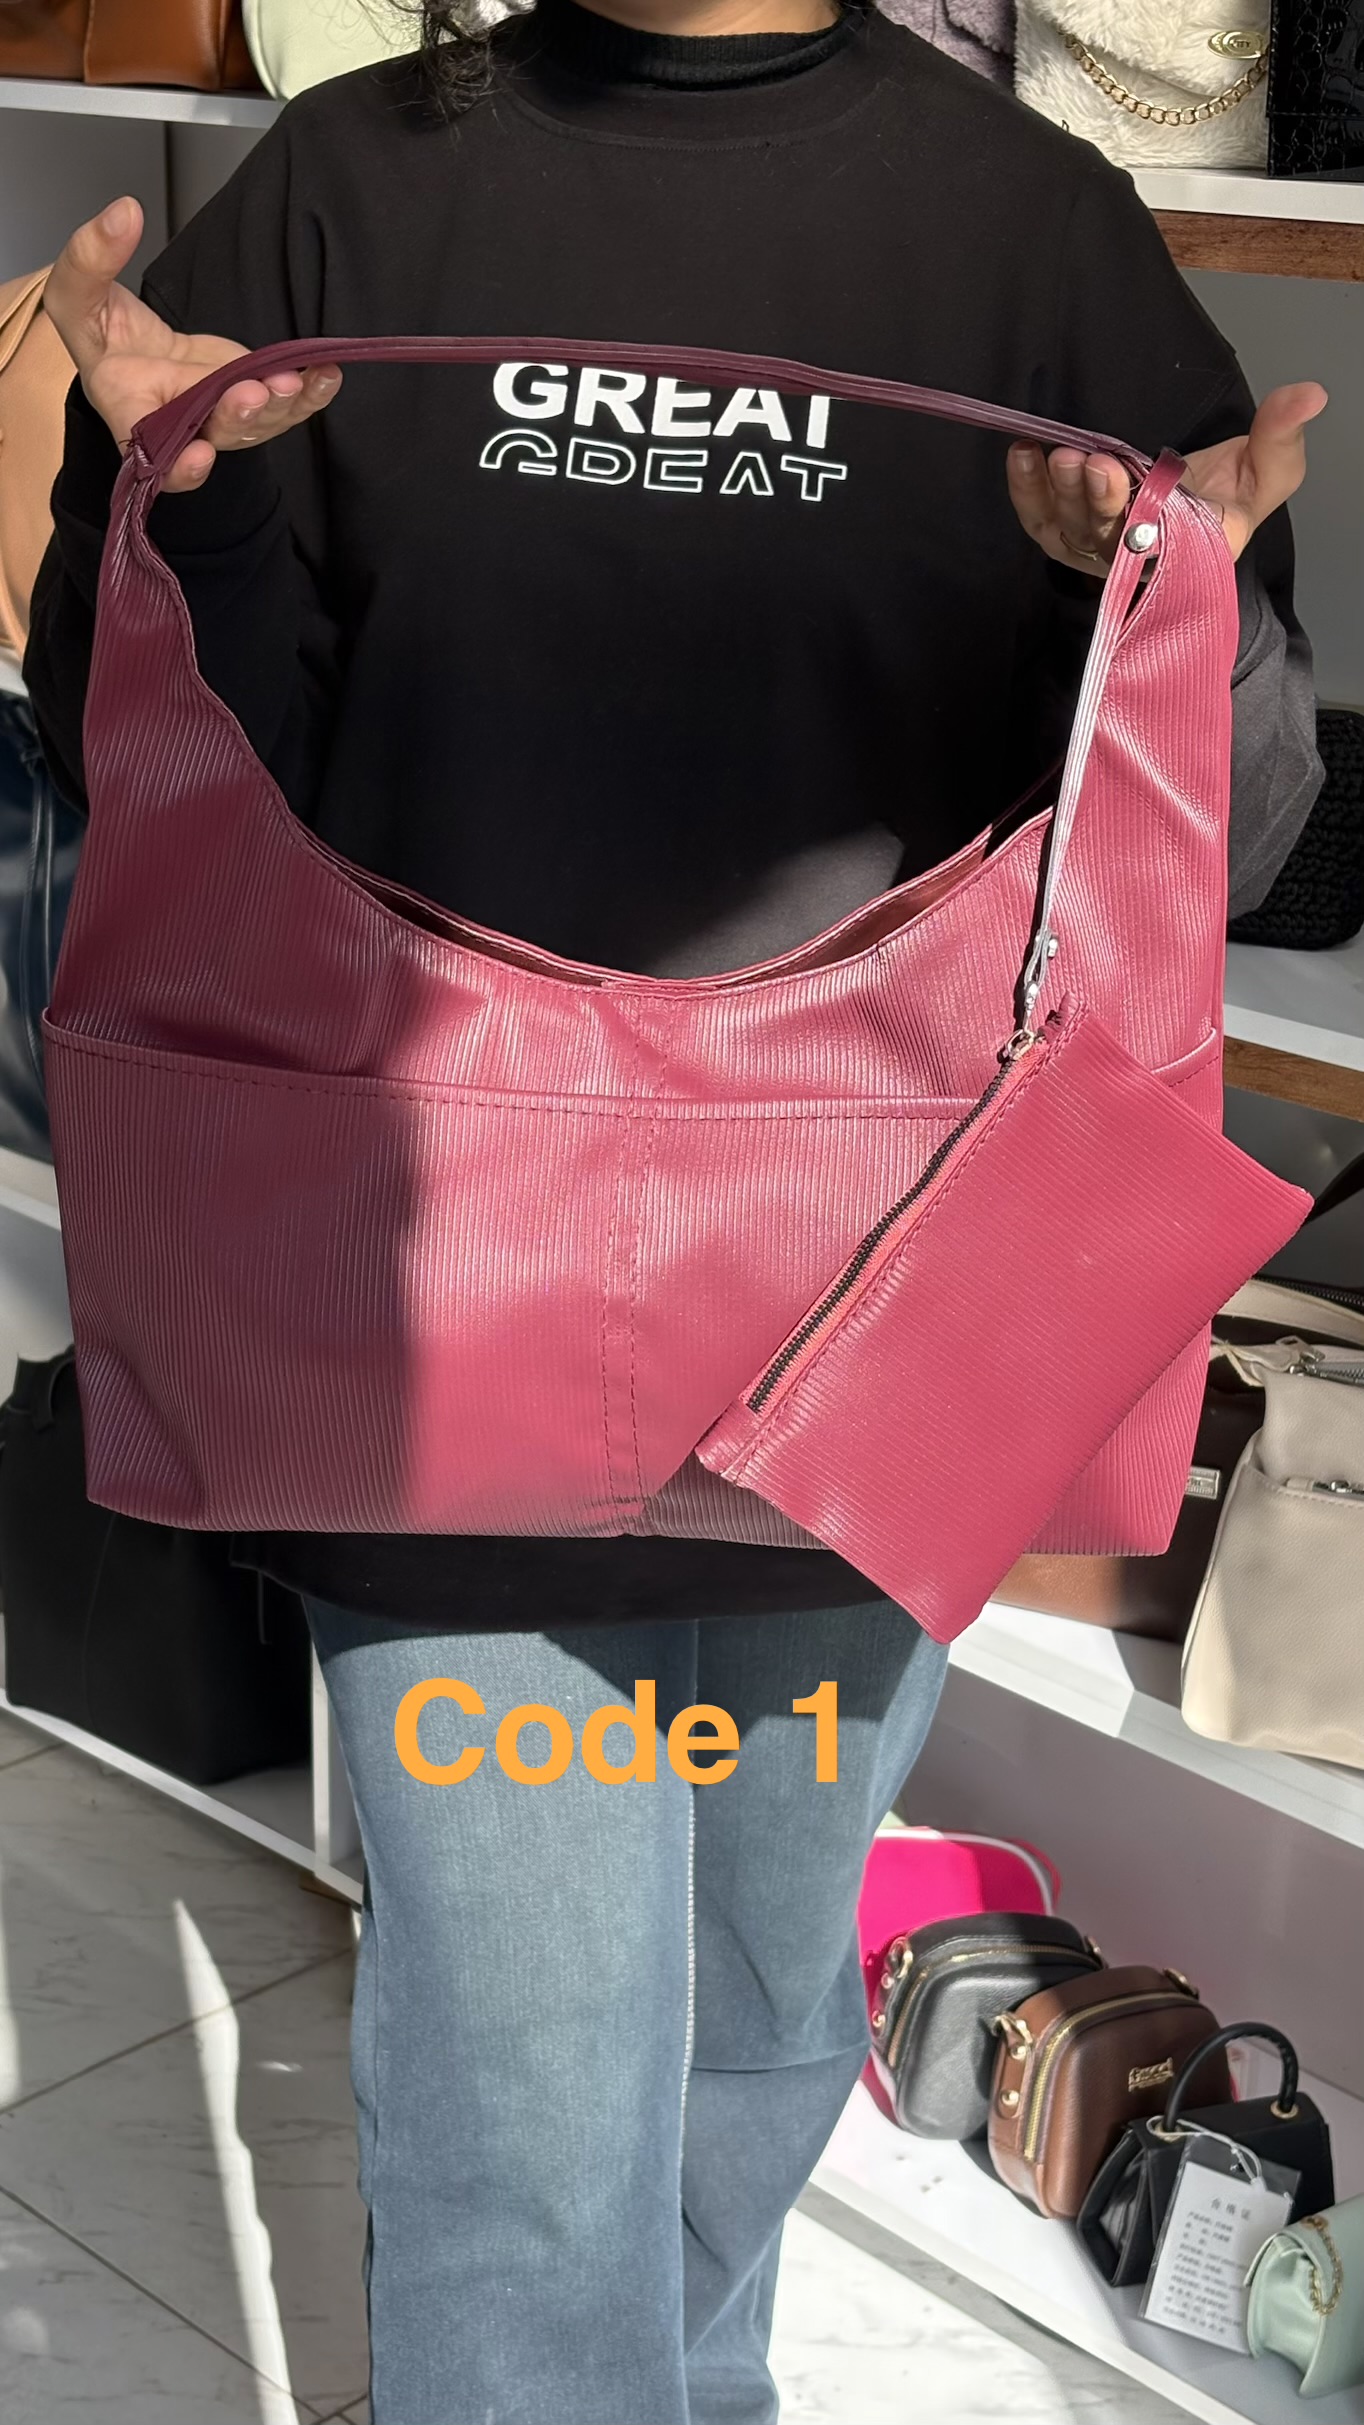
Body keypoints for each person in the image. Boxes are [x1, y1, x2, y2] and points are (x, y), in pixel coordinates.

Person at [25, 1, 1324, 2417]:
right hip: (444, 1334)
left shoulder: (1032, 237)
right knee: (526, 2099)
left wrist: (1158, 607)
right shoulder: (344, 196)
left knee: (753, 2027)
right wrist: (187, 496)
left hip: (878, 1342)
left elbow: (1228, 840)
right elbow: (170, 770)